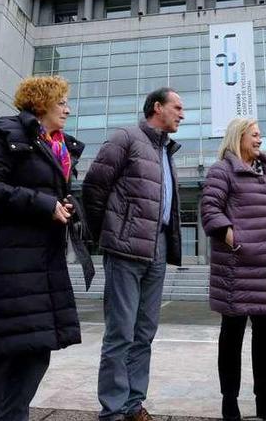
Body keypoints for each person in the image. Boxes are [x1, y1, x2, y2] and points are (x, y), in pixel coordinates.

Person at [0, 75, 94, 420]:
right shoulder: (7, 133)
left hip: (44, 266)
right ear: (41, 103)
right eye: (61, 101)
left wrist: (64, 207)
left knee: (34, 353)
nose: (67, 108)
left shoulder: (58, 147)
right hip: (8, 265)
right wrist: (43, 204)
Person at [83, 88, 185, 421]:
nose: (182, 114)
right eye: (177, 107)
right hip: (125, 250)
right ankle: (112, 411)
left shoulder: (166, 151)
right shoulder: (125, 137)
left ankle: (132, 404)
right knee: (121, 333)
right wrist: (110, 235)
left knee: (144, 333)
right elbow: (94, 188)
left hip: (157, 249)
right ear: (158, 107)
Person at [200, 117, 266, 421]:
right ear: (238, 137)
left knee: (265, 338)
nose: (259, 139)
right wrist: (235, 240)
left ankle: (265, 400)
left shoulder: (265, 175)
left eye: (260, 135)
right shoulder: (221, 170)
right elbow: (210, 211)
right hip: (236, 268)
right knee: (232, 335)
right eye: (254, 135)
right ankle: (230, 400)